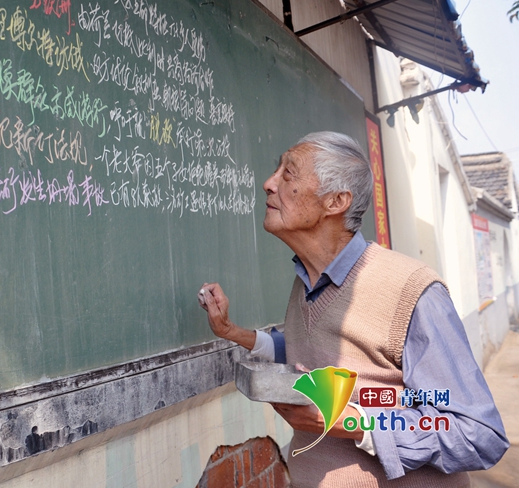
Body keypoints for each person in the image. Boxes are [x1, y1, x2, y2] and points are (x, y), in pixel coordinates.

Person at [200, 131, 508, 487]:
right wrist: (232, 332)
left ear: (335, 202)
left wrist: (349, 421)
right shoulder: (306, 280)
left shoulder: (412, 291)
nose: (269, 184)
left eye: (289, 174)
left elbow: (477, 433)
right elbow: (320, 354)